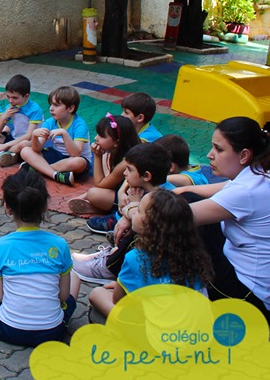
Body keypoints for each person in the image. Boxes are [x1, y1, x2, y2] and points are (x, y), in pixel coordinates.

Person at [183, 117, 270, 318]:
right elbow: (208, 190)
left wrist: (132, 209)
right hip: (269, 298)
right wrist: (182, 189)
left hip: (250, 301)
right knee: (186, 200)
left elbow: (168, 216)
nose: (209, 155)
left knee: (177, 220)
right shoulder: (261, 176)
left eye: (219, 149)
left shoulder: (247, 190)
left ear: (244, 156)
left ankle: (125, 269)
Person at [0, 168, 75, 346]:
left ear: (8, 208)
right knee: (75, 277)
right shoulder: (60, 244)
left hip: (11, 331)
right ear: (44, 206)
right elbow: (63, 296)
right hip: (53, 333)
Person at [89, 190, 210, 318]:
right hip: (198, 331)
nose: (134, 213)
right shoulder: (194, 255)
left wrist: (123, 287)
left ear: (149, 225)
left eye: (139, 210)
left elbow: (118, 300)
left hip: (159, 334)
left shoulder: (136, 258)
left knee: (97, 294)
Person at [72, 143, 174, 286]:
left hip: (158, 256)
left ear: (146, 176)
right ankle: (113, 254)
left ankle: (109, 268)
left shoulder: (161, 199)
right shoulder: (146, 187)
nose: (124, 173)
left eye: (129, 170)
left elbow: (145, 224)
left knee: (136, 230)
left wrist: (132, 208)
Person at [19, 86, 93, 185]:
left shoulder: (80, 125)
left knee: (78, 162)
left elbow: (75, 154)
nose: (51, 109)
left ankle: (39, 169)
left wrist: (64, 134)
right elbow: (37, 149)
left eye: (56, 105)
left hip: (73, 160)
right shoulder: (50, 122)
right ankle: (55, 174)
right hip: (56, 155)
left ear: (70, 108)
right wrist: (34, 136)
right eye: (51, 105)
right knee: (25, 150)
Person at [68, 114, 140, 215]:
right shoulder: (116, 152)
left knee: (94, 193)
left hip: (131, 199)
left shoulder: (125, 162)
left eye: (101, 136)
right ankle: (95, 204)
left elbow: (99, 184)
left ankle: (101, 209)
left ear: (116, 142)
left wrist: (97, 156)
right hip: (119, 191)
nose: (96, 138)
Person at [0, 74, 44, 165]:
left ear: (26, 96)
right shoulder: (9, 107)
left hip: (28, 142)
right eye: (8, 96)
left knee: (24, 144)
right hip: (13, 139)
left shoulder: (35, 109)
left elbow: (29, 136)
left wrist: (4, 146)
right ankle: (2, 153)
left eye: (14, 98)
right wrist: (3, 118)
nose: (10, 100)